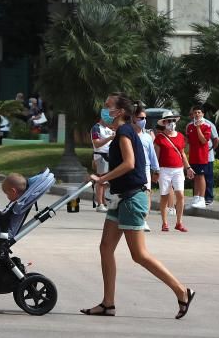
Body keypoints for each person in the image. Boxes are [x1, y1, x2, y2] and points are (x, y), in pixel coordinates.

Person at [81, 92, 194, 319]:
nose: (105, 110)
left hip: (132, 198)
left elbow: (130, 163)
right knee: (105, 248)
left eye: (108, 106)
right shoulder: (123, 131)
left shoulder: (124, 131)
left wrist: (102, 178)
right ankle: (108, 304)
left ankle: (182, 291)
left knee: (139, 254)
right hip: (121, 197)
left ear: (120, 111)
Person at [154, 111, 195, 232]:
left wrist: (188, 167)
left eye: (173, 121)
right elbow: (156, 156)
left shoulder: (180, 136)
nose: (171, 123)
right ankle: (164, 222)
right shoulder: (159, 138)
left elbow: (182, 153)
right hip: (164, 170)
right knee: (164, 196)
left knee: (180, 195)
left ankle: (179, 222)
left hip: (178, 169)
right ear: (164, 123)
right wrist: (155, 171)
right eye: (168, 121)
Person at [133, 104, 160, 232]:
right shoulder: (128, 135)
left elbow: (152, 154)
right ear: (133, 118)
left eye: (144, 118)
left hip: (145, 168)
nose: (143, 121)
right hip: (132, 168)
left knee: (146, 194)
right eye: (140, 118)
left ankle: (144, 220)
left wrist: (156, 169)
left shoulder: (148, 137)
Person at [185, 104, 212, 209]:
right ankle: (195, 198)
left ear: (202, 114)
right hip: (193, 156)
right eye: (195, 112)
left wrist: (198, 128)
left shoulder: (207, 126)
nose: (196, 114)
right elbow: (188, 142)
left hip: (202, 156)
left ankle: (202, 198)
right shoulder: (190, 126)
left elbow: (203, 140)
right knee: (195, 177)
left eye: (199, 112)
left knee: (201, 176)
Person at [91, 116, 115, 212]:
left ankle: (104, 202)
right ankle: (100, 204)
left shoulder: (109, 129)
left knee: (106, 181)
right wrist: (110, 138)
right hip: (100, 155)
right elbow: (96, 144)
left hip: (110, 155)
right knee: (101, 180)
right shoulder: (96, 128)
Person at [202, 113, 219, 206]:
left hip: (208, 157)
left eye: (197, 112)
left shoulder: (208, 124)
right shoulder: (190, 125)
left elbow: (216, 139)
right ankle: (200, 197)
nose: (193, 115)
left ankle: (209, 197)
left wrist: (211, 149)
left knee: (208, 177)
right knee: (198, 177)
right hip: (196, 157)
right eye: (192, 113)